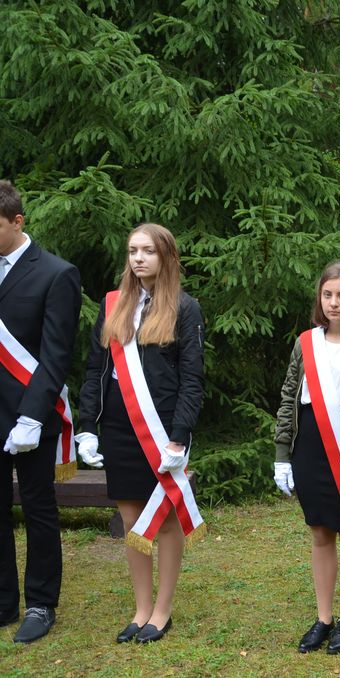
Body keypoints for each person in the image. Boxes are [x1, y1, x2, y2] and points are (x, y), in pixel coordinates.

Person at [76, 223, 204, 644]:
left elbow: (192, 380)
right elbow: (95, 369)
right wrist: (87, 427)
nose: (138, 258)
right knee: (131, 520)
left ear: (166, 256)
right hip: (118, 427)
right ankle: (141, 608)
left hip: (162, 430)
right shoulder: (113, 304)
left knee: (163, 520)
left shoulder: (185, 308)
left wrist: (179, 437)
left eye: (148, 250)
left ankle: (162, 611)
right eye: (133, 251)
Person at [273, 261, 340, 654]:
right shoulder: (306, 343)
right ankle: (323, 618)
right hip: (311, 447)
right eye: (328, 294)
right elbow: (288, 397)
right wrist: (282, 455)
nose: (333, 303)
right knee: (320, 532)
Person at [0, 181, 82, 643]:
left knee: (38, 510)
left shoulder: (56, 273)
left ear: (17, 222)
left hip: (31, 416)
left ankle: (40, 603)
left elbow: (55, 354)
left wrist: (31, 416)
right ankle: (2, 600)